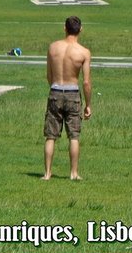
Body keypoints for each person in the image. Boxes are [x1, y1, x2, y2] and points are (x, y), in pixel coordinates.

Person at [43, 16, 92, 180]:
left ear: (64, 28)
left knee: (51, 136)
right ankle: (73, 173)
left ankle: (47, 173)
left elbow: (49, 76)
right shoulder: (83, 52)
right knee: (74, 136)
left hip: (55, 91)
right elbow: (86, 82)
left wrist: (55, 88)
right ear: (81, 29)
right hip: (72, 93)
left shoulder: (53, 48)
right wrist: (88, 104)